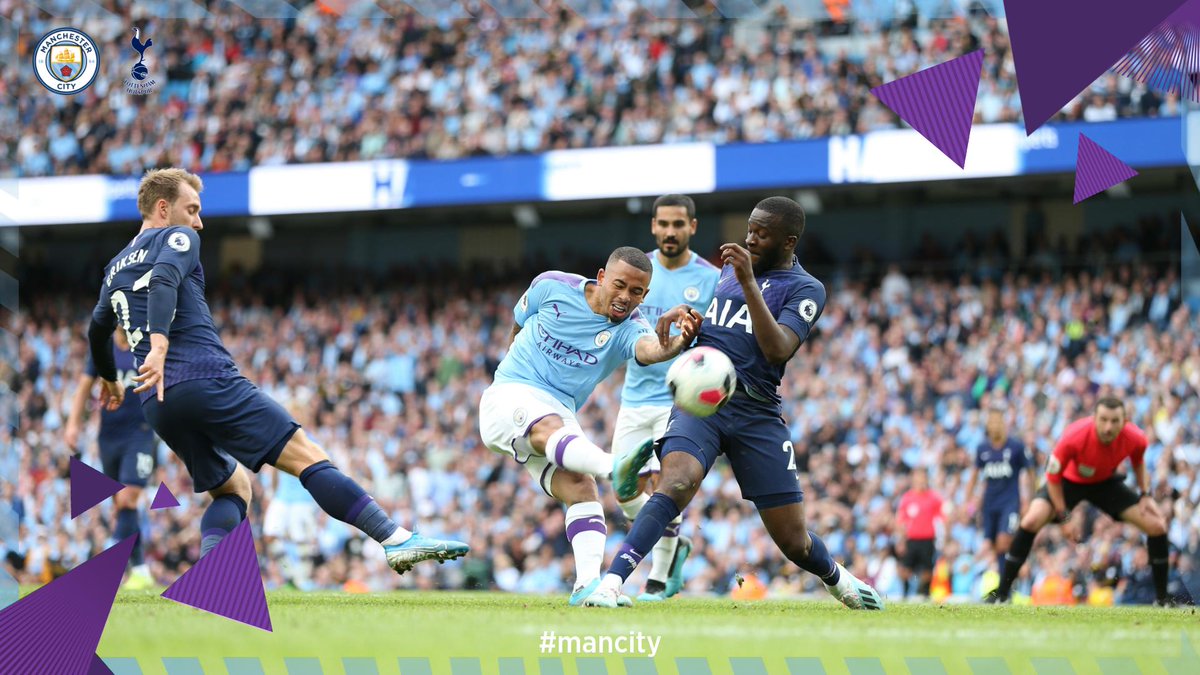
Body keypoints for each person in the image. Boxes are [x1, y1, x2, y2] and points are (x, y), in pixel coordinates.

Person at [86, 168, 467, 578]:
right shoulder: (178, 238)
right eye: (191, 209)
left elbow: (97, 328)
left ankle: (213, 573)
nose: (199, 222)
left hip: (157, 402)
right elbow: (163, 278)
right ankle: (395, 539)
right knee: (306, 455)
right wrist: (159, 345)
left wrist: (108, 376)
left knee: (233, 488)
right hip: (205, 377)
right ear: (163, 208)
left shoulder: (114, 266)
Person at [584, 196, 884, 609]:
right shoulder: (731, 271)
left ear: (788, 242)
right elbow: (724, 329)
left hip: (757, 413)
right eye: (750, 228)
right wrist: (689, 321)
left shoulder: (806, 288)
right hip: (702, 405)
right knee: (675, 484)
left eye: (762, 234)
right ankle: (610, 584)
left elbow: (778, 348)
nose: (751, 238)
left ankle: (839, 580)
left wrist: (746, 282)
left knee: (794, 542)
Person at [477, 246, 701, 606]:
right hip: (511, 392)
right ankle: (615, 466)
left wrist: (675, 345)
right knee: (552, 429)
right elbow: (519, 322)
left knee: (581, 487)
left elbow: (648, 349)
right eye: (620, 285)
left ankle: (586, 588)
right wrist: (509, 372)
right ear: (600, 278)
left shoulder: (631, 327)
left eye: (637, 292)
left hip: (560, 412)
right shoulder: (551, 286)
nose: (626, 297)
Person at [613, 194, 719, 602]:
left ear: (692, 227)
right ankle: (674, 552)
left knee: (664, 488)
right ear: (653, 226)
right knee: (624, 490)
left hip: (680, 401)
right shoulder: (637, 271)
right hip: (633, 398)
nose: (670, 231)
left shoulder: (710, 278)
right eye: (664, 224)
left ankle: (656, 582)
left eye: (679, 224)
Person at [987, 397, 1175, 606]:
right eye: (1103, 420)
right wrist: (1064, 517)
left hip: (1105, 483)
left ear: (1124, 421)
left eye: (1114, 421)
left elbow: (1138, 462)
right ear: (1094, 418)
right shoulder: (1074, 436)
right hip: (1067, 482)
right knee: (1031, 520)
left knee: (1157, 526)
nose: (1108, 427)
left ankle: (1162, 599)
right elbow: (1052, 478)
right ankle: (1002, 594)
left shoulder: (1136, 438)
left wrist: (1145, 495)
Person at [65, 327, 156, 589]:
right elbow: (84, 386)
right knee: (122, 505)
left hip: (141, 433)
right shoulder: (103, 348)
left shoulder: (146, 345)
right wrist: (73, 424)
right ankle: (140, 569)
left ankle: (105, 564)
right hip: (108, 437)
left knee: (129, 496)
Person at [962, 402, 1036, 571]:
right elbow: (974, 476)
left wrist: (1030, 499)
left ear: (1004, 423)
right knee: (992, 544)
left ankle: (1008, 580)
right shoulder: (982, 449)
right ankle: (1005, 582)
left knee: (1004, 540)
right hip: (989, 503)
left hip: (1010, 501)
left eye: (998, 421)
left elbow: (1030, 471)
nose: (994, 425)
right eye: (991, 421)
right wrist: (967, 501)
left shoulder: (1016, 447)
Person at [894, 467, 944, 600]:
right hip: (911, 539)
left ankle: (925, 593)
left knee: (928, 569)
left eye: (923, 477)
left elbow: (941, 517)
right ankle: (905, 594)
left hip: (928, 539)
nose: (921, 480)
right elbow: (901, 521)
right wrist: (901, 540)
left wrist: (943, 536)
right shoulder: (907, 498)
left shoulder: (934, 497)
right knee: (905, 570)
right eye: (918, 477)